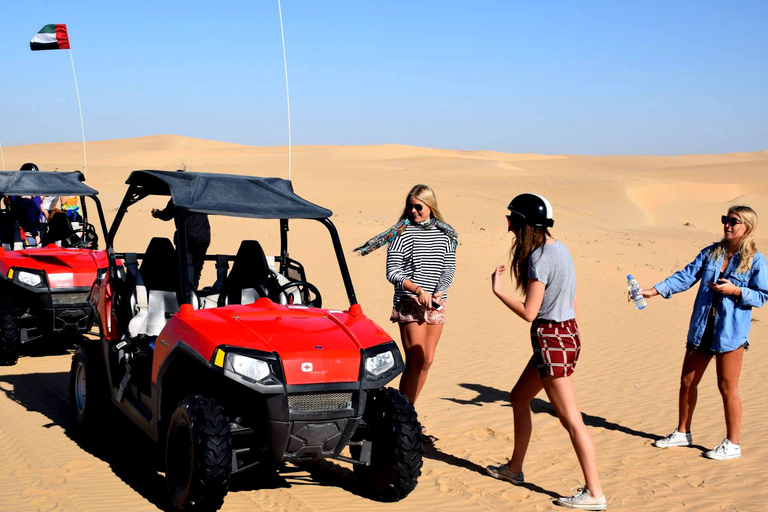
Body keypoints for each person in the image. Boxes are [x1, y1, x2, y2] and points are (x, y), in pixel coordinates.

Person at [486, 193, 606, 511]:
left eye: (511, 219)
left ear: (524, 224)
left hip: (551, 340)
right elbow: (574, 300)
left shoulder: (539, 258)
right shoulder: (560, 249)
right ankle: (514, 469)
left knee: (572, 420)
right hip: (566, 334)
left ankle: (595, 493)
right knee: (518, 397)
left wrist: (498, 291)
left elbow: (529, 311)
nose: (508, 225)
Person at [637, 206, 767, 460]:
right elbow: (685, 277)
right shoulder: (711, 253)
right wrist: (654, 290)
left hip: (730, 333)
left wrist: (737, 291)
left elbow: (762, 296)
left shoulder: (756, 261)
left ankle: (732, 443)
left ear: (747, 227)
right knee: (687, 382)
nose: (727, 225)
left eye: (733, 221)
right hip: (701, 329)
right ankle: (683, 433)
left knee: (727, 387)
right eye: (725, 220)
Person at [354, 184, 457, 443]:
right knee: (415, 359)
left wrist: (439, 291)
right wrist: (417, 289)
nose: (413, 211)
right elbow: (393, 272)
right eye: (410, 206)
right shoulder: (402, 234)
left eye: (418, 207)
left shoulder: (446, 234)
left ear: (430, 206)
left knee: (428, 360)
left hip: (436, 302)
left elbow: (449, 267)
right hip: (410, 302)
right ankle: (404, 422)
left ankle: (407, 417)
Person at [151, 171, 211, 289]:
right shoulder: (199, 196)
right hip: (203, 237)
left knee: (182, 266)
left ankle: (186, 294)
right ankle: (193, 292)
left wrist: (156, 213)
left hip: (187, 237)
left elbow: (167, 215)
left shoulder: (178, 197)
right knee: (196, 267)